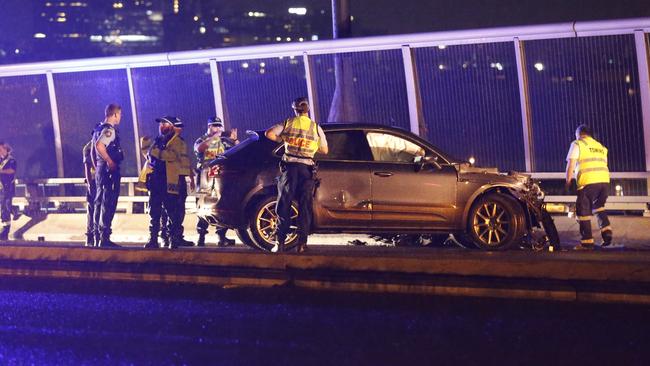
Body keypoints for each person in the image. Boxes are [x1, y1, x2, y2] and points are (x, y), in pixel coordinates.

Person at [264, 97, 328, 253]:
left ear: (294, 109)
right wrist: (310, 147)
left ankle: (280, 243)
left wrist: (283, 139)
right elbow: (325, 150)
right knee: (305, 207)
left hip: (290, 169)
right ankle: (302, 244)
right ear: (308, 110)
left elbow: (269, 133)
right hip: (306, 171)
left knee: (284, 204)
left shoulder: (288, 123)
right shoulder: (315, 127)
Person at [143, 116, 192, 249]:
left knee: (172, 211)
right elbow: (149, 156)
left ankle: (173, 239)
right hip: (156, 180)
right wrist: (147, 150)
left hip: (169, 180)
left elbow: (171, 156)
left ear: (171, 126)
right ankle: (153, 239)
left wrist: (152, 151)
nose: (161, 126)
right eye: (160, 123)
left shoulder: (177, 142)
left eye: (165, 123)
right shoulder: (158, 140)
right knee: (154, 211)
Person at [565, 124, 613, 250]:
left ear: (579, 134)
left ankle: (587, 242)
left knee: (583, 212)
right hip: (604, 182)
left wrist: (568, 181)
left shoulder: (577, 144)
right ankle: (607, 232)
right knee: (598, 207)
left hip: (588, 182)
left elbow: (571, 164)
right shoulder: (601, 146)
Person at [193, 117, 237, 247]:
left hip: (220, 177)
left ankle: (222, 236)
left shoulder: (223, 141)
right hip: (205, 177)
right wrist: (215, 137)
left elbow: (236, 149)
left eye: (219, 126)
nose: (217, 129)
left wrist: (234, 140)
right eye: (214, 126)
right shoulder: (202, 139)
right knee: (202, 206)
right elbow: (199, 148)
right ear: (208, 126)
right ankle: (201, 237)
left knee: (221, 205)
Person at [92, 104, 124, 248]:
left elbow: (92, 151)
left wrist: (97, 166)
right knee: (108, 202)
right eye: (120, 115)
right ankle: (104, 237)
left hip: (100, 169)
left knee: (99, 202)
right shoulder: (109, 130)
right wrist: (110, 161)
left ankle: (96, 236)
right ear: (115, 115)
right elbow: (100, 146)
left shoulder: (97, 129)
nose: (120, 118)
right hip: (108, 172)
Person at [0, 142, 16, 241]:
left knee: (5, 208)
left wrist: (1, 171)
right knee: (3, 208)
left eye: (1, 149)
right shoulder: (0, 160)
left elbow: (12, 170)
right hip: (1, 188)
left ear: (6, 149)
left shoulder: (11, 160)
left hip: (7, 188)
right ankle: (13, 210)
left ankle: (6, 231)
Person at [82, 137, 96, 247]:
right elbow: (87, 166)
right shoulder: (89, 147)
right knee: (92, 209)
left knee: (96, 209)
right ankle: (90, 236)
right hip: (95, 181)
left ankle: (95, 235)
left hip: (99, 181)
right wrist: (90, 184)